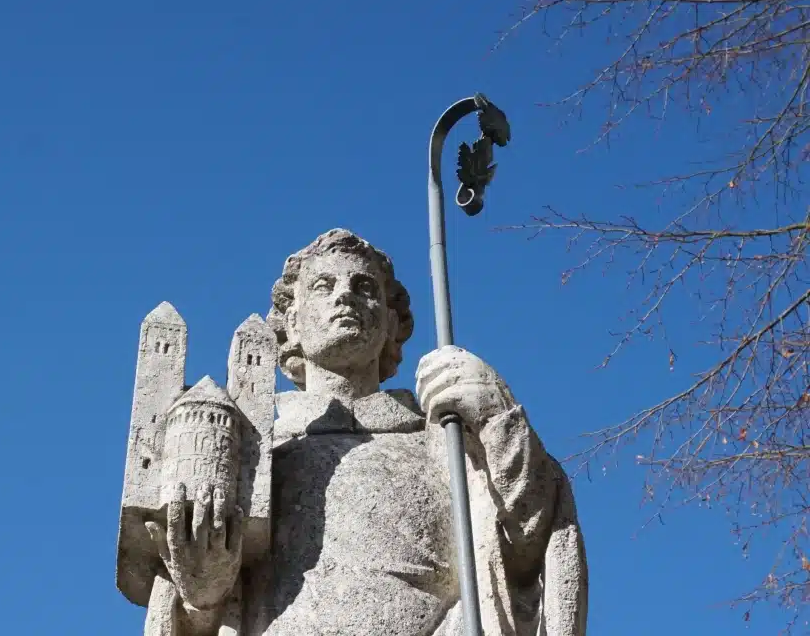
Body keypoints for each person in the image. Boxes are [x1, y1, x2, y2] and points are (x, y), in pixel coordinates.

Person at [144, 229, 587, 635]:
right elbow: (194, 611)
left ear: (393, 323)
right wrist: (203, 590)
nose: (345, 297)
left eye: (364, 287)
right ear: (290, 322)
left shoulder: (443, 440)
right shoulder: (255, 448)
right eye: (324, 286)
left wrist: (498, 418)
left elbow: (528, 552)